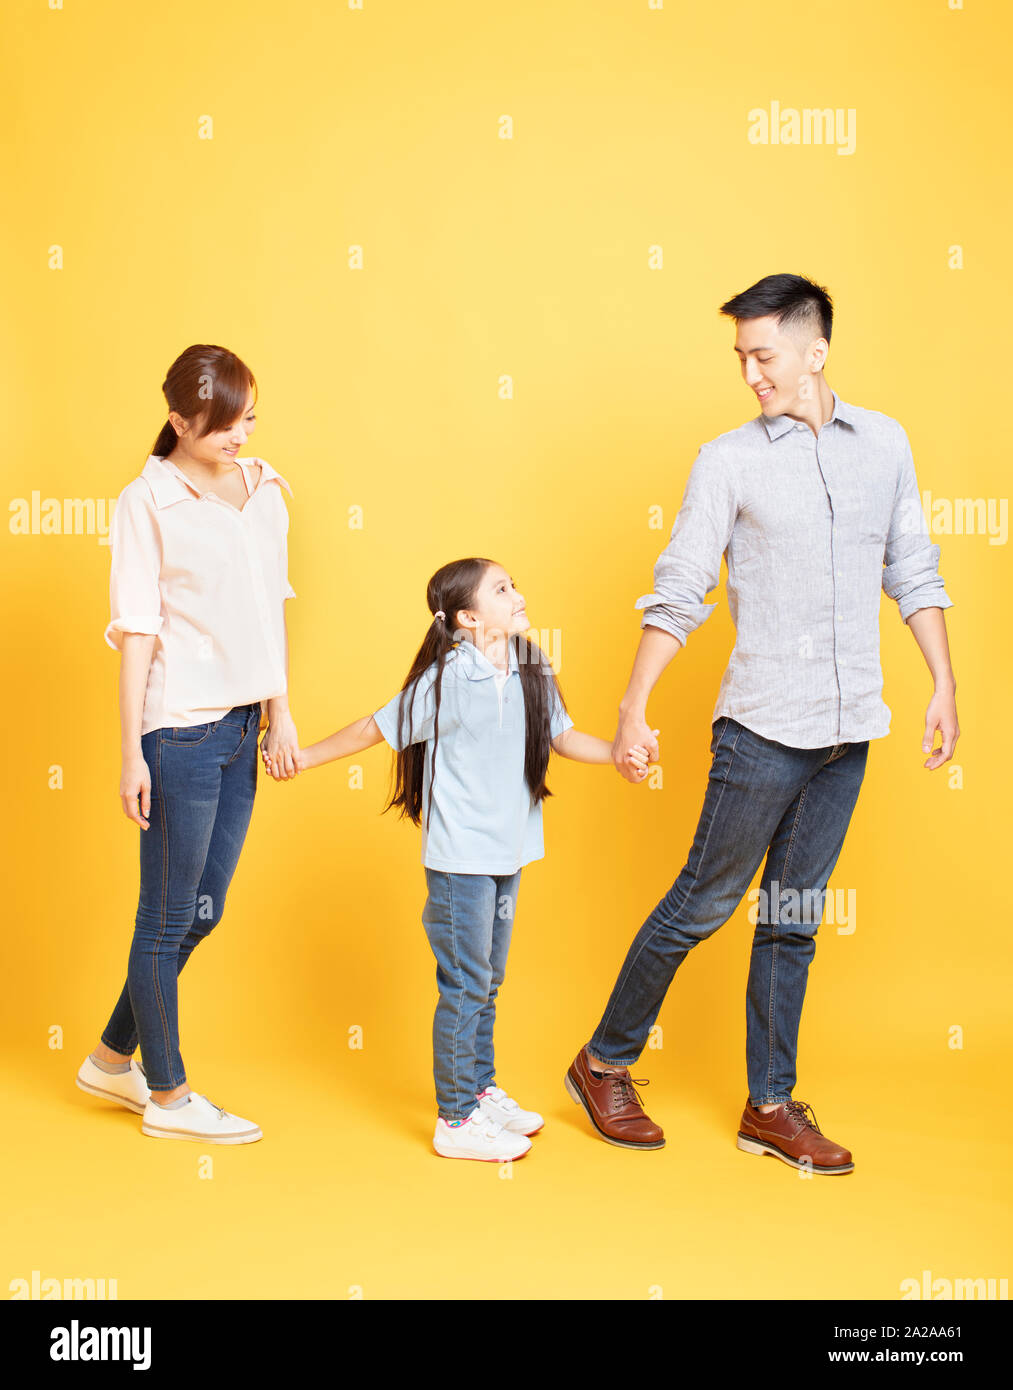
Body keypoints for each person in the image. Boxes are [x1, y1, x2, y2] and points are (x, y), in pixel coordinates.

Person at [565, 273, 959, 1174]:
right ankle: (604, 1061)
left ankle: (769, 1107)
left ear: (814, 351)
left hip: (849, 727)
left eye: (763, 354)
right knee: (701, 903)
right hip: (760, 729)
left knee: (791, 920)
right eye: (740, 356)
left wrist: (941, 681)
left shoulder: (885, 445)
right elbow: (679, 588)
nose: (749, 372)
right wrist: (632, 706)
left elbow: (915, 568)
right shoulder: (727, 460)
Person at [262, 557, 651, 1161]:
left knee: (489, 978)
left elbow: (562, 738)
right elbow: (374, 729)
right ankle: (455, 1117)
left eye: (514, 582)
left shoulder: (532, 668)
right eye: (502, 589)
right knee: (465, 981)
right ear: (469, 617)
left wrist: (619, 754)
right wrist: (305, 757)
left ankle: (479, 1086)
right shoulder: (442, 682)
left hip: (509, 852)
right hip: (459, 859)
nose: (517, 593)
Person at [76, 344, 301, 1144]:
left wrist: (280, 712)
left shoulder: (264, 488)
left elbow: (270, 603)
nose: (241, 436)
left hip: (242, 725)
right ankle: (167, 1098)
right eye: (224, 426)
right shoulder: (146, 501)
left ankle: (110, 1058)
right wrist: (133, 749)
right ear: (179, 421)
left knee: (202, 910)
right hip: (178, 730)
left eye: (248, 420)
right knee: (166, 919)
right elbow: (136, 629)